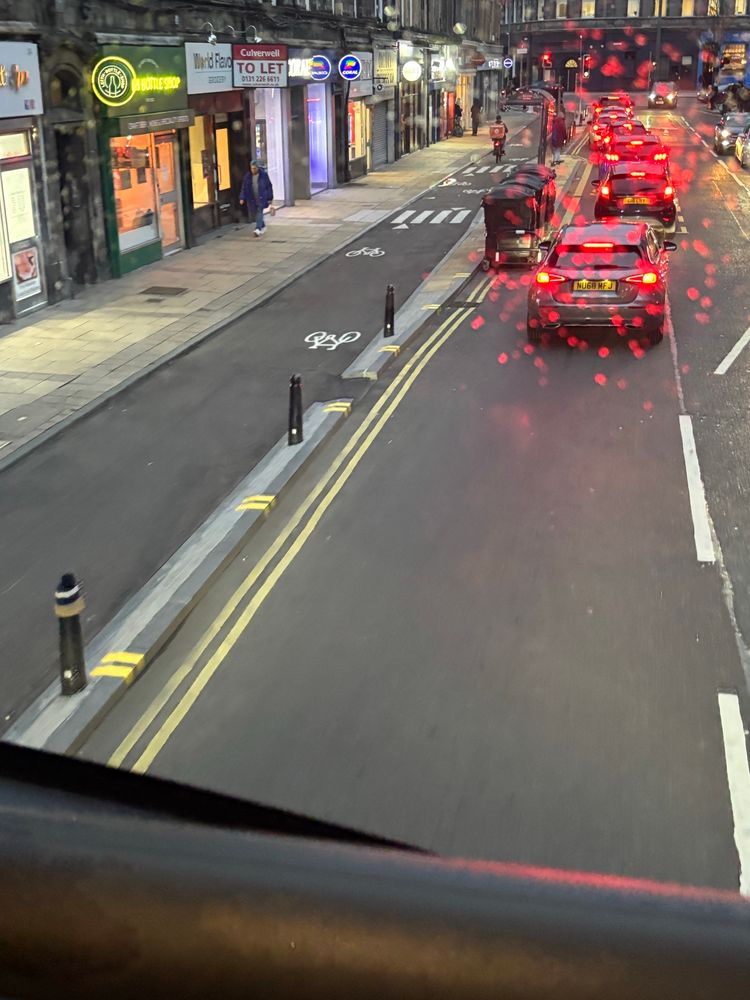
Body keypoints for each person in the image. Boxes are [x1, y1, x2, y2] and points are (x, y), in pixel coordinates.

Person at [240, 160, 275, 237]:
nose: (253, 170)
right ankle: (263, 226)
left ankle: (258, 229)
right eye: (252, 168)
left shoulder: (264, 175)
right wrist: (242, 197)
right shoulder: (247, 176)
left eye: (255, 168)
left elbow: (269, 186)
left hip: (262, 197)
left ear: (258, 168)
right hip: (252, 198)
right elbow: (244, 187)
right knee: (255, 213)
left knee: (259, 212)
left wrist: (270, 198)